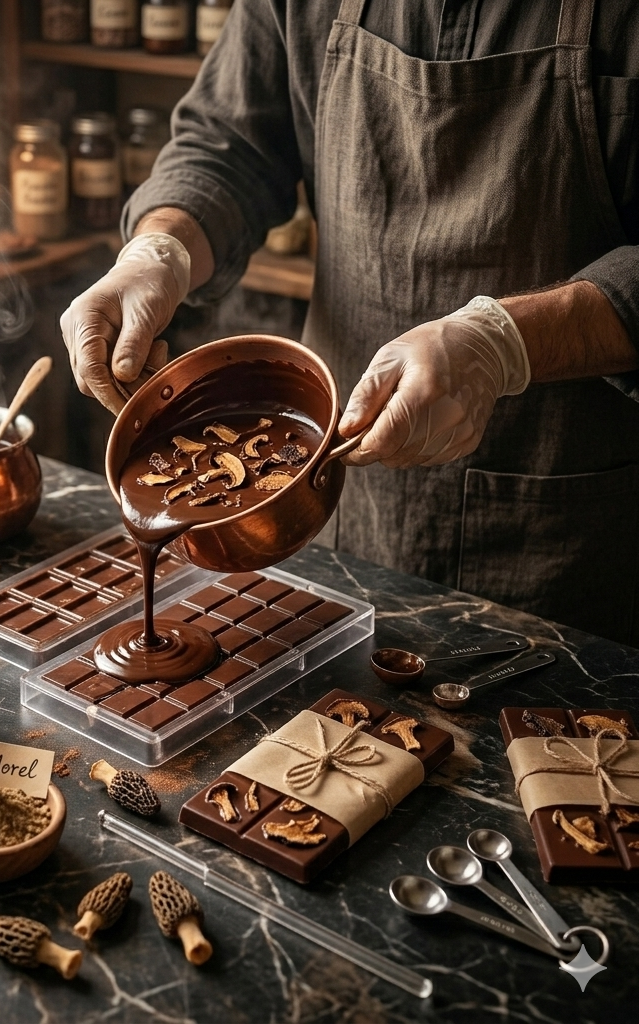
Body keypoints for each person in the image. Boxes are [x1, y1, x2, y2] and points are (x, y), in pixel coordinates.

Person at [61, 0, 639, 645]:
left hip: (562, 521)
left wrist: (502, 344)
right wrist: (159, 248)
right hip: (330, 478)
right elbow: (229, 147)